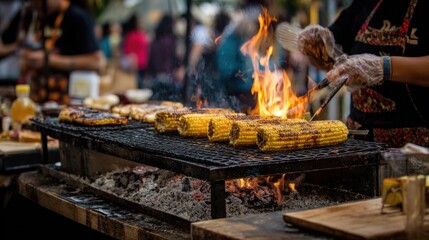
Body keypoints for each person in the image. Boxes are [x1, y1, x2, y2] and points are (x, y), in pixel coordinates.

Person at [297, 0, 429, 147]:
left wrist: (384, 67)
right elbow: (330, 61)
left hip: (415, 151)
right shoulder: (366, 4)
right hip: (359, 143)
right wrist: (315, 48)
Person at [14, 0, 104, 104]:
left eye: (39, 2)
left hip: (68, 101)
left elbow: (97, 62)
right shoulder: (31, 15)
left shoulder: (77, 17)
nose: (35, 3)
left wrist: (49, 60)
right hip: (34, 98)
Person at [147, 15, 183, 101]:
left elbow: (150, 61)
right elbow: (177, 58)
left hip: (156, 78)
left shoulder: (155, 41)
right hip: (170, 78)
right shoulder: (173, 40)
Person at [121, 14, 150, 89]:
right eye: (139, 21)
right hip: (135, 68)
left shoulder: (132, 35)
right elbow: (129, 53)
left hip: (141, 66)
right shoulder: (134, 35)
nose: (141, 23)